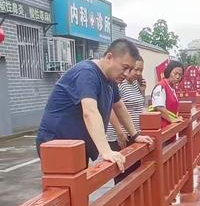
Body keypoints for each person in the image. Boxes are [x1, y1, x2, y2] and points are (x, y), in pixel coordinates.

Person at [36, 38, 152, 172]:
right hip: (57, 144)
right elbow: (90, 111)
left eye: (130, 69)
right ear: (109, 57)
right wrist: (106, 151)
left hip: (76, 145)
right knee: (65, 189)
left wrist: (136, 135)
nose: (126, 74)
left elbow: (119, 107)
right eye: (124, 67)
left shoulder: (111, 79)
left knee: (79, 187)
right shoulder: (87, 73)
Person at [107, 56, 146, 183]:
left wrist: (142, 91)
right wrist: (120, 132)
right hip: (120, 137)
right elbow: (111, 108)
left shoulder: (136, 84)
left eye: (141, 70)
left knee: (136, 174)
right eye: (136, 70)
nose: (138, 73)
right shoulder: (119, 83)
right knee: (123, 176)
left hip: (134, 134)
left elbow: (139, 105)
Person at [149, 60, 184, 127]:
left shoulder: (172, 88)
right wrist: (172, 119)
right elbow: (159, 107)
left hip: (170, 126)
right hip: (162, 126)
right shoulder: (161, 87)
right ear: (169, 72)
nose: (177, 77)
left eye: (180, 75)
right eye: (175, 73)